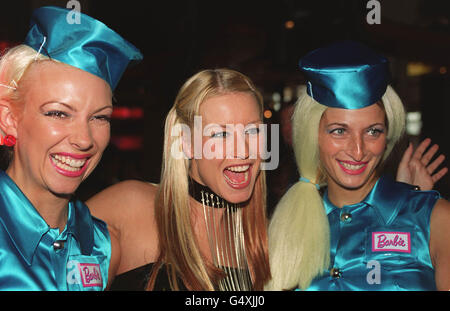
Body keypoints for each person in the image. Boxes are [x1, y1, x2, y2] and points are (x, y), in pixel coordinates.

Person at [266, 41, 450, 291]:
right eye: (339, 131)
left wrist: (404, 203)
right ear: (313, 136)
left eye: (373, 131)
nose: (358, 150)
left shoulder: (434, 220)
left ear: (387, 137)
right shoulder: (283, 228)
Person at [88, 68, 271, 290]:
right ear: (187, 142)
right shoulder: (132, 207)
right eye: (221, 134)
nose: (243, 151)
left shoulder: (257, 241)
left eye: (252, 131)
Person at [0, 6, 142, 290]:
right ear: (9, 120)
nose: (84, 139)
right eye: (58, 113)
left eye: (99, 117)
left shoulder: (105, 246)